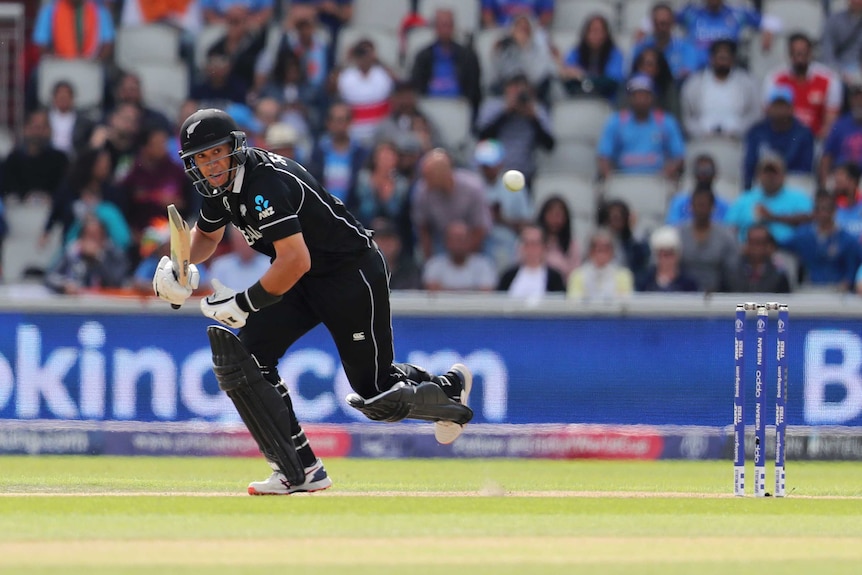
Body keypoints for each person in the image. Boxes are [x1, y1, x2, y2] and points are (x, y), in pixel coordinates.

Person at [153, 108, 473, 495]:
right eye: (201, 159)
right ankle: (299, 469)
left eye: (216, 153)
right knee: (247, 358)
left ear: (234, 148)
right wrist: (179, 266)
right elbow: (207, 235)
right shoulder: (220, 187)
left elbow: (295, 258)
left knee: (377, 395)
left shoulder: (264, 183)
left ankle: (449, 389)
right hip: (303, 279)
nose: (211, 164)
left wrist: (244, 303)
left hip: (348, 274)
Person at [597, 75, 685, 181]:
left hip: (657, 180)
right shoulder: (616, 121)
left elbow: (679, 156)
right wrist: (610, 179)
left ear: (652, 97)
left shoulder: (666, 121)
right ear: (630, 98)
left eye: (645, 95)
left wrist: (667, 173)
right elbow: (603, 156)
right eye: (637, 95)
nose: (641, 100)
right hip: (623, 179)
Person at [763, 33, 842, 140]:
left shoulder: (829, 79)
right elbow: (768, 114)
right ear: (789, 54)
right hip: (782, 139)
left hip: (816, 140)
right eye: (795, 52)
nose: (799, 57)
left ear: (810, 53)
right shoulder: (775, 78)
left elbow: (831, 121)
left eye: (803, 52)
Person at [680, 39, 759, 140]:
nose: (722, 61)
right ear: (711, 58)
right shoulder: (694, 84)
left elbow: (754, 114)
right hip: (702, 140)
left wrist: (738, 132)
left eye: (726, 57)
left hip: (737, 141)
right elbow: (687, 117)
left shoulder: (748, 83)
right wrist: (701, 133)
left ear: (733, 59)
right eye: (720, 57)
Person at [785, 190, 860, 291]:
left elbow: (852, 269)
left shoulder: (848, 240)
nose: (823, 214)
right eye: (818, 209)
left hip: (838, 291)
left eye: (827, 209)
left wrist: (846, 284)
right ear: (814, 212)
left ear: (834, 210)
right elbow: (779, 245)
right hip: (809, 289)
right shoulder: (803, 236)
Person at [743, 85, 815, 190]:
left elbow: (805, 169)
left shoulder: (803, 133)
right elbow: (750, 165)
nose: (780, 110)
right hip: (763, 183)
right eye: (776, 105)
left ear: (791, 108)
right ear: (769, 108)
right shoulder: (757, 131)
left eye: (783, 106)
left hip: (792, 184)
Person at [676, 186, 738, 293]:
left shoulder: (726, 236)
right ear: (690, 207)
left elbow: (732, 270)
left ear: (713, 207)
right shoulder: (678, 234)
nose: (700, 209)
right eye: (697, 205)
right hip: (683, 294)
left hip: (718, 295)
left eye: (704, 205)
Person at [557, 14, 625, 101]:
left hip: (607, 102)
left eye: (600, 31)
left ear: (606, 34)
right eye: (593, 31)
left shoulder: (615, 54)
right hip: (578, 100)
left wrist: (583, 76)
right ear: (586, 33)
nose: (596, 35)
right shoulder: (576, 52)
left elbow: (612, 81)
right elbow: (568, 76)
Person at [422, 220, 498, 292]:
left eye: (461, 239)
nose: (457, 244)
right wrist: (472, 290)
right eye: (453, 239)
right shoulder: (433, 264)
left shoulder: (484, 265)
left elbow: (485, 293)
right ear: (445, 241)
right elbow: (433, 292)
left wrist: (445, 290)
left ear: (470, 240)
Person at [496, 224, 566, 300]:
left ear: (544, 246)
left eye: (534, 243)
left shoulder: (555, 278)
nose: (530, 248)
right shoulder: (508, 276)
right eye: (526, 243)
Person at [567, 227, 634, 302]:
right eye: (597, 248)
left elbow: (625, 303)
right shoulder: (578, 275)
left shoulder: (623, 275)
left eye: (606, 248)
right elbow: (573, 303)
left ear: (612, 251)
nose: (601, 252)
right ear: (590, 251)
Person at [724, 223, 791, 293]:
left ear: (768, 246)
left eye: (759, 242)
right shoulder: (732, 271)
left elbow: (785, 300)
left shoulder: (778, 274)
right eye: (752, 242)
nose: (756, 248)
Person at [636, 225, 700, 292]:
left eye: (670, 254)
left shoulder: (689, 284)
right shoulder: (645, 282)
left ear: (678, 254)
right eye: (661, 254)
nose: (666, 259)